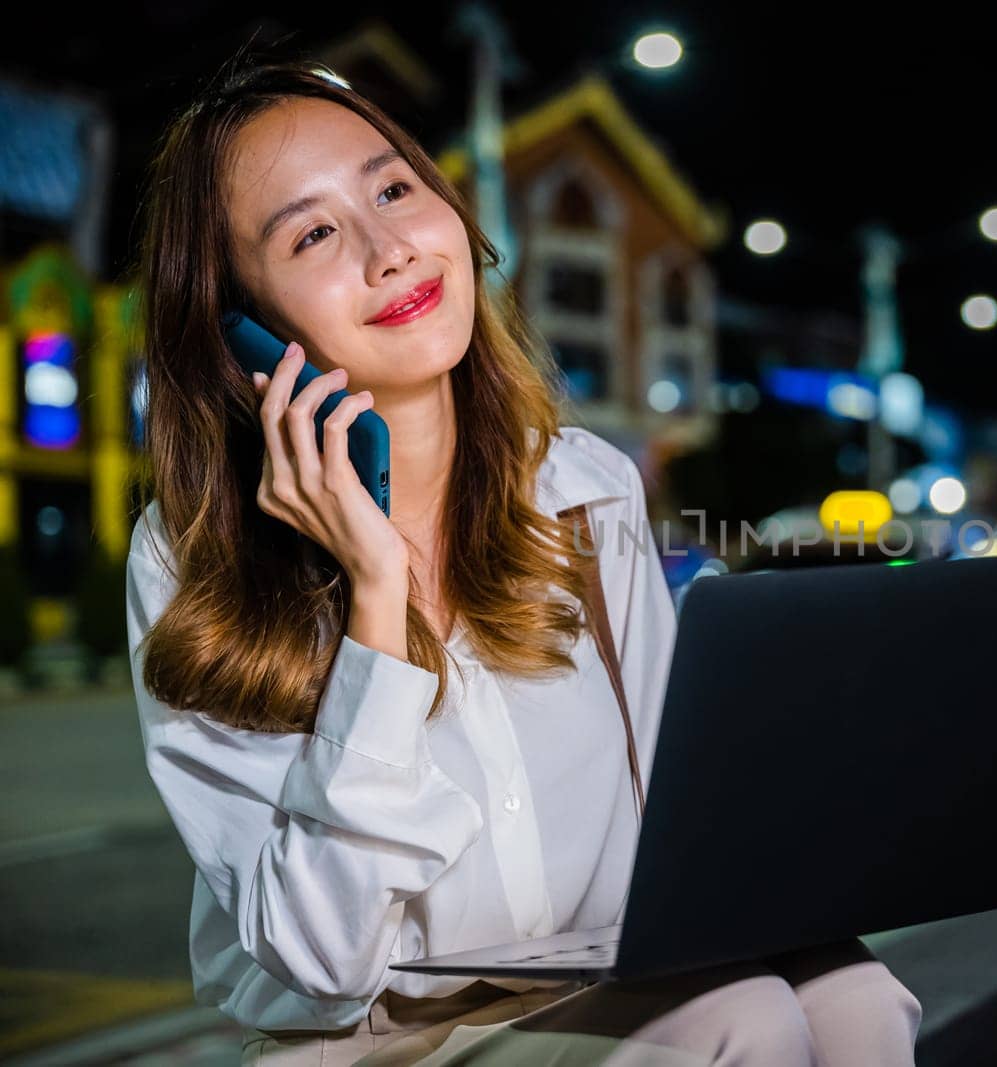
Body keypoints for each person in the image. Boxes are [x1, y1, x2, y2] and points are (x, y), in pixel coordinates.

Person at [127, 56, 922, 1065]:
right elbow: (323, 960)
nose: (388, 251)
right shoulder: (198, 552)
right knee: (739, 1019)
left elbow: (674, 806)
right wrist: (376, 597)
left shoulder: (584, 487)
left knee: (858, 993)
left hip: (608, 976)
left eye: (393, 189)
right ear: (240, 324)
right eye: (314, 232)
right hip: (374, 1037)